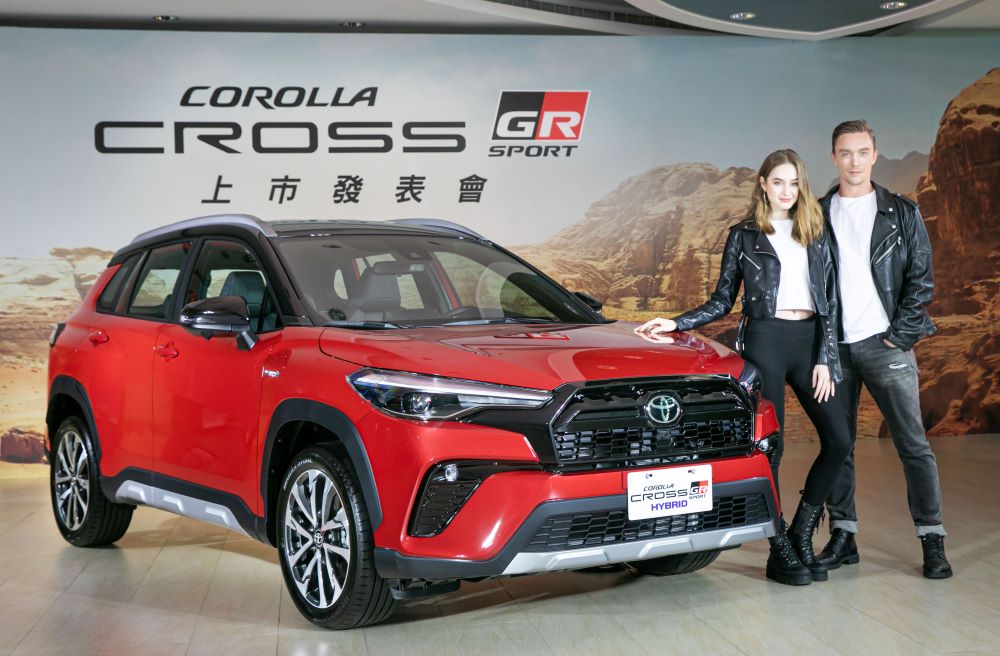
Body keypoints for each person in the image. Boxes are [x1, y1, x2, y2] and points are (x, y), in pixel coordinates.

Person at [636, 149, 851, 586]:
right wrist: (677, 322)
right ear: (763, 184)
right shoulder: (744, 235)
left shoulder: (816, 230)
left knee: (839, 441)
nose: (787, 192)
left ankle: (801, 531)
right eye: (779, 182)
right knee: (771, 449)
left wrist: (827, 358)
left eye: (795, 183)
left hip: (810, 342)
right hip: (765, 341)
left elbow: (831, 300)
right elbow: (722, 299)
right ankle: (780, 548)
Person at [817, 120, 952, 579]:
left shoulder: (902, 211)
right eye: (845, 153)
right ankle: (844, 536)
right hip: (836, 350)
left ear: (874, 156)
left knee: (913, 445)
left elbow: (921, 279)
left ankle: (932, 538)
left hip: (885, 345)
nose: (854, 161)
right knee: (839, 446)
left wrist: (899, 336)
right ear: (834, 158)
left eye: (862, 152)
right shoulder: (817, 215)